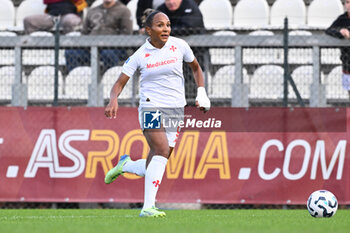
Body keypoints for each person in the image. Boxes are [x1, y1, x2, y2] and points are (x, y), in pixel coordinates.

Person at [104, 11, 210, 217]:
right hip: (150, 107)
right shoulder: (140, 55)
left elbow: (196, 68)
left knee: (158, 160)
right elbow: (119, 82)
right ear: (149, 30)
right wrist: (113, 99)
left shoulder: (180, 45)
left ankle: (126, 165)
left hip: (176, 109)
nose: (166, 29)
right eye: (160, 25)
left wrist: (202, 92)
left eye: (168, 25)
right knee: (161, 150)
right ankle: (148, 207)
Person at [64, 0, 133, 73]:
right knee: (70, 52)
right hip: (91, 49)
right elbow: (84, 33)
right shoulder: (92, 11)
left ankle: (110, 80)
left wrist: (110, 43)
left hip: (114, 49)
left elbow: (126, 35)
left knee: (107, 54)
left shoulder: (124, 10)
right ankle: (77, 78)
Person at [326, 0, 350, 98]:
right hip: (347, 61)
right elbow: (329, 30)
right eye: (347, 2)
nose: (349, 5)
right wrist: (341, 31)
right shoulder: (342, 19)